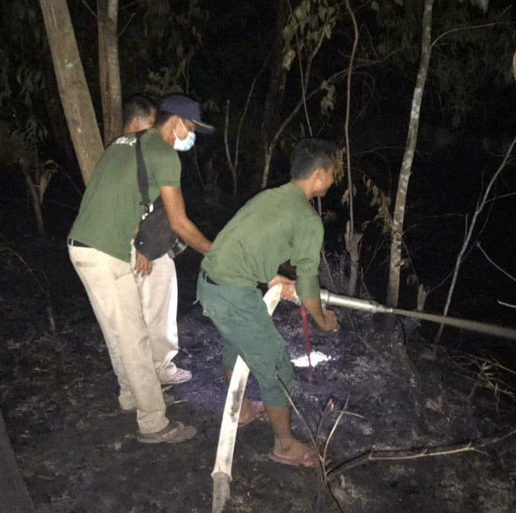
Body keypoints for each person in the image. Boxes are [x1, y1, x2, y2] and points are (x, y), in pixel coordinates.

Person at [68, 93, 212, 443]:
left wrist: (139, 245)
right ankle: (153, 423)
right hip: (103, 254)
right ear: (174, 122)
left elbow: (121, 200)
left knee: (119, 332)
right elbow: (179, 222)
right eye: (190, 128)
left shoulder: (123, 143)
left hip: (87, 246)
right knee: (134, 338)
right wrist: (216, 253)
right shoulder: (164, 154)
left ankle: (131, 396)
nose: (190, 137)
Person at [196, 138, 339, 467]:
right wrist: (322, 320)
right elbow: (307, 283)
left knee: (236, 343)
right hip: (232, 294)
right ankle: (284, 446)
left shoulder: (268, 197)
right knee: (277, 369)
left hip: (209, 284)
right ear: (319, 175)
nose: (333, 179)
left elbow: (243, 244)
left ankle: (244, 410)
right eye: (332, 173)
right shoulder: (307, 219)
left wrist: (272, 277)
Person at [122, 98, 192, 386]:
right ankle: (160, 368)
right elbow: (133, 202)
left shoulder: (125, 150)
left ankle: (140, 375)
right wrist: (143, 245)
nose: (154, 129)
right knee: (158, 306)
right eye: (152, 123)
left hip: (139, 241)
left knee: (142, 310)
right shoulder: (147, 151)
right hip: (143, 244)